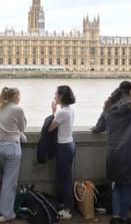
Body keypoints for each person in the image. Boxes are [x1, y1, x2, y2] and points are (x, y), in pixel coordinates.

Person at [92, 81, 131, 224]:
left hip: (114, 152)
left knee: (117, 184)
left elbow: (100, 126)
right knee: (128, 185)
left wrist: (95, 129)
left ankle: (115, 216)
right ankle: (124, 217)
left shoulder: (109, 107)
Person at [0, 87, 27, 222]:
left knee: (7, 179)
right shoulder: (18, 109)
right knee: (9, 182)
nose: (20, 98)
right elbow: (22, 127)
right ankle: (5, 213)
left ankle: (5, 209)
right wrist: (20, 133)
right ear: (15, 97)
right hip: (12, 148)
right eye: (19, 96)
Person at [48, 85, 76, 220]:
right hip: (70, 144)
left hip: (63, 147)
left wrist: (52, 112)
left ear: (61, 97)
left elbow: (50, 128)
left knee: (63, 179)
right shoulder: (69, 110)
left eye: (56, 94)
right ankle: (66, 204)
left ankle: (67, 209)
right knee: (67, 177)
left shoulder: (61, 113)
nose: (54, 97)